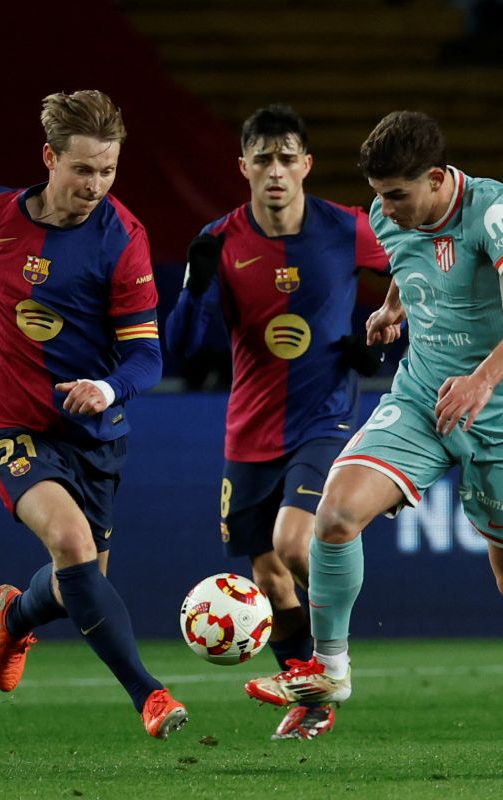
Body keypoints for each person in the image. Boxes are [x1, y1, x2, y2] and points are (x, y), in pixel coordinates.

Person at [244, 110, 503, 718]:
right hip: (422, 397)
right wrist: (395, 307)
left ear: (438, 179)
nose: (386, 210)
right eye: (379, 197)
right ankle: (331, 670)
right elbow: (408, 261)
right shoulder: (386, 213)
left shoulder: (489, 210)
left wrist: (481, 381)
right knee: (335, 515)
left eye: (398, 195)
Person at [0, 90, 187, 740]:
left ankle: (15, 615)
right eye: (84, 170)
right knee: (71, 545)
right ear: (50, 158)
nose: (96, 185)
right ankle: (151, 694)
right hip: (9, 422)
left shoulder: (123, 240)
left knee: (75, 585)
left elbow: (146, 356)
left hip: (93, 433)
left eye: (108, 171)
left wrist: (108, 390)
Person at [165, 104, 390, 741]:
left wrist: (383, 333)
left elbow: (414, 274)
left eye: (287, 157)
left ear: (306, 165)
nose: (275, 170)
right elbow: (185, 343)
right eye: (262, 158)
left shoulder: (346, 228)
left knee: (297, 545)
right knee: (266, 575)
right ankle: (313, 699)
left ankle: (332, 661)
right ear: (243, 167)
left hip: (324, 420)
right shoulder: (221, 239)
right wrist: (194, 285)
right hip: (250, 430)